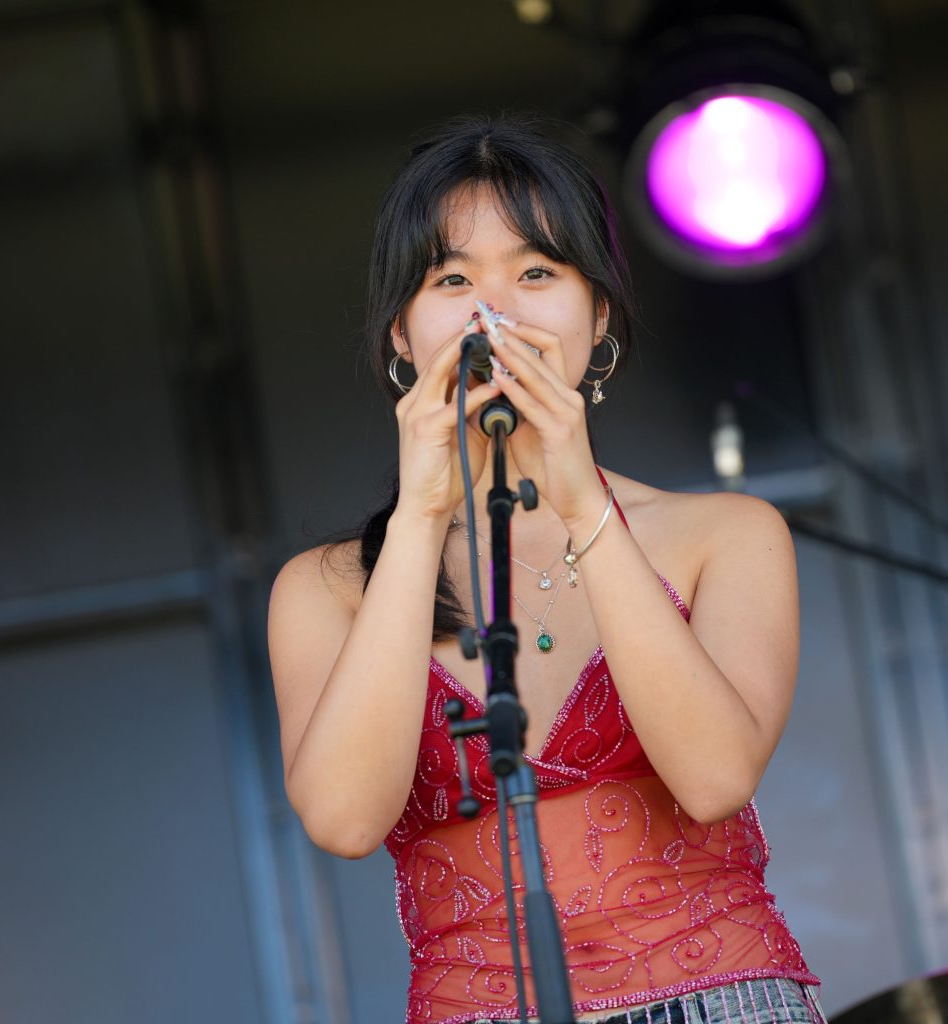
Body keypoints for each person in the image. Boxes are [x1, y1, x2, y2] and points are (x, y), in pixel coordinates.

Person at [267, 113, 823, 1024]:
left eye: (536, 273)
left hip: (723, 1001)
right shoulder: (327, 589)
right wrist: (418, 519)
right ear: (401, 337)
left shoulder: (727, 533)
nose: (497, 313)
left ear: (597, 314)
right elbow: (343, 819)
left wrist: (578, 499)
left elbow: (717, 777)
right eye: (452, 279)